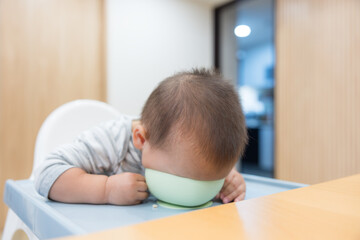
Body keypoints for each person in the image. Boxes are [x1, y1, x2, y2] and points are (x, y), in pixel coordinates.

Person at [34, 68, 248, 206]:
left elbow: (201, 163)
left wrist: (229, 180)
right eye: (183, 180)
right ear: (141, 140)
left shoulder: (186, 152)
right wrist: (106, 190)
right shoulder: (112, 142)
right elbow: (46, 174)